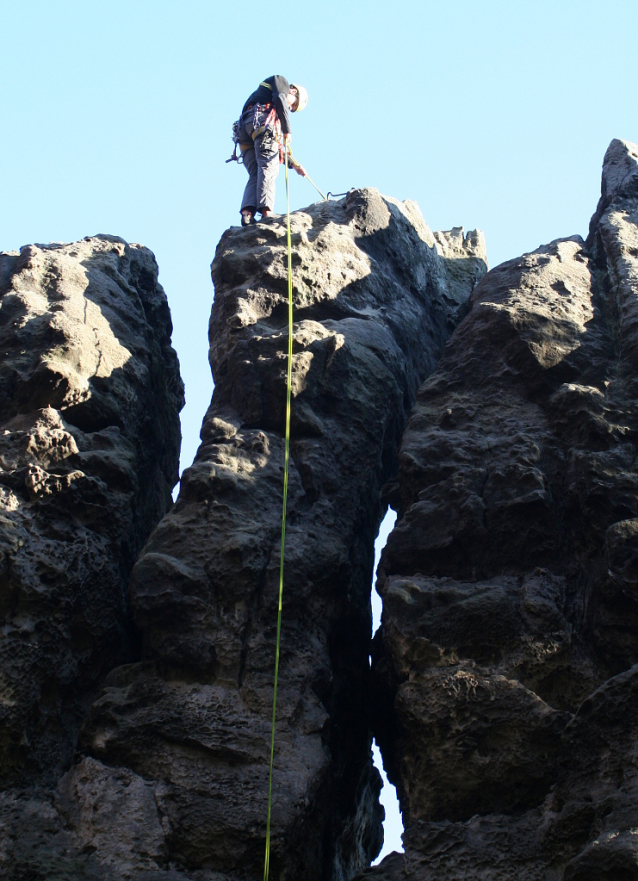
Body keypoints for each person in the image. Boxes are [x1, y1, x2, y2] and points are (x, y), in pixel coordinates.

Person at [237, 76, 308, 226]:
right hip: (260, 123)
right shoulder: (280, 81)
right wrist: (287, 130)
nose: (289, 108)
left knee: (256, 172)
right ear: (293, 91)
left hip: (246, 130)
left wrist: (294, 165)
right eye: (292, 105)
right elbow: (280, 99)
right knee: (269, 167)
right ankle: (266, 212)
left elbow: (275, 148)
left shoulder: (263, 98)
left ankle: (247, 213)